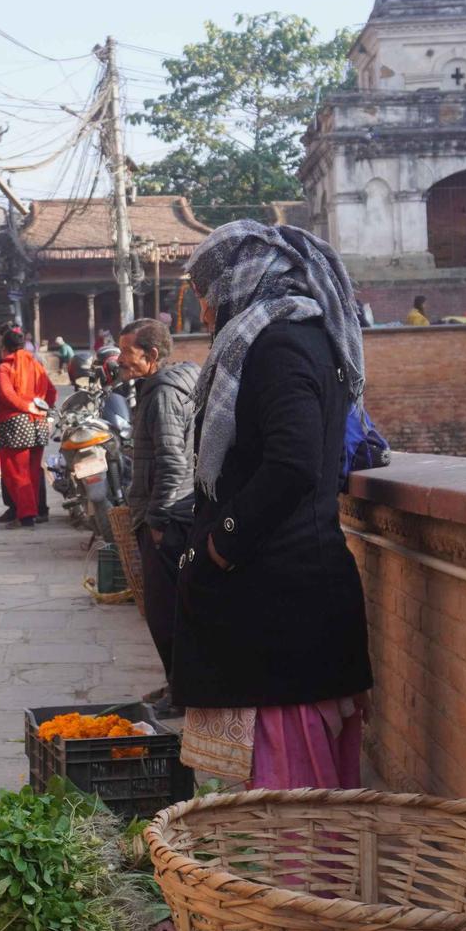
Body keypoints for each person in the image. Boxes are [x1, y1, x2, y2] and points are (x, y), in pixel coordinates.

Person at [171, 221, 373, 791]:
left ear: (242, 278)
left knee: (292, 810)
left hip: (282, 608)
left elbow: (293, 463)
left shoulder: (281, 343)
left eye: (206, 292)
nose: (205, 312)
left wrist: (220, 545)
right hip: (282, 603)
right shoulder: (277, 339)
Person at [117, 318, 198, 702]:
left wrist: (158, 519)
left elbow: (173, 460)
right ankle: (178, 684)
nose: (120, 360)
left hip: (170, 517)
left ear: (151, 355)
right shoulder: (160, 387)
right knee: (170, 611)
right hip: (175, 511)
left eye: (126, 352)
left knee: (166, 613)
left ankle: (181, 692)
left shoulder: (164, 393)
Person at [0, 326, 56, 527]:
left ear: (5, 347)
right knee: (33, 471)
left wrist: (26, 406)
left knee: (17, 473)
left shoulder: (5, 367)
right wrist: (41, 408)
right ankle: (34, 511)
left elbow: (6, 394)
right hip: (38, 422)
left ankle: (26, 515)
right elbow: (52, 391)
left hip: (15, 422)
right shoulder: (36, 364)